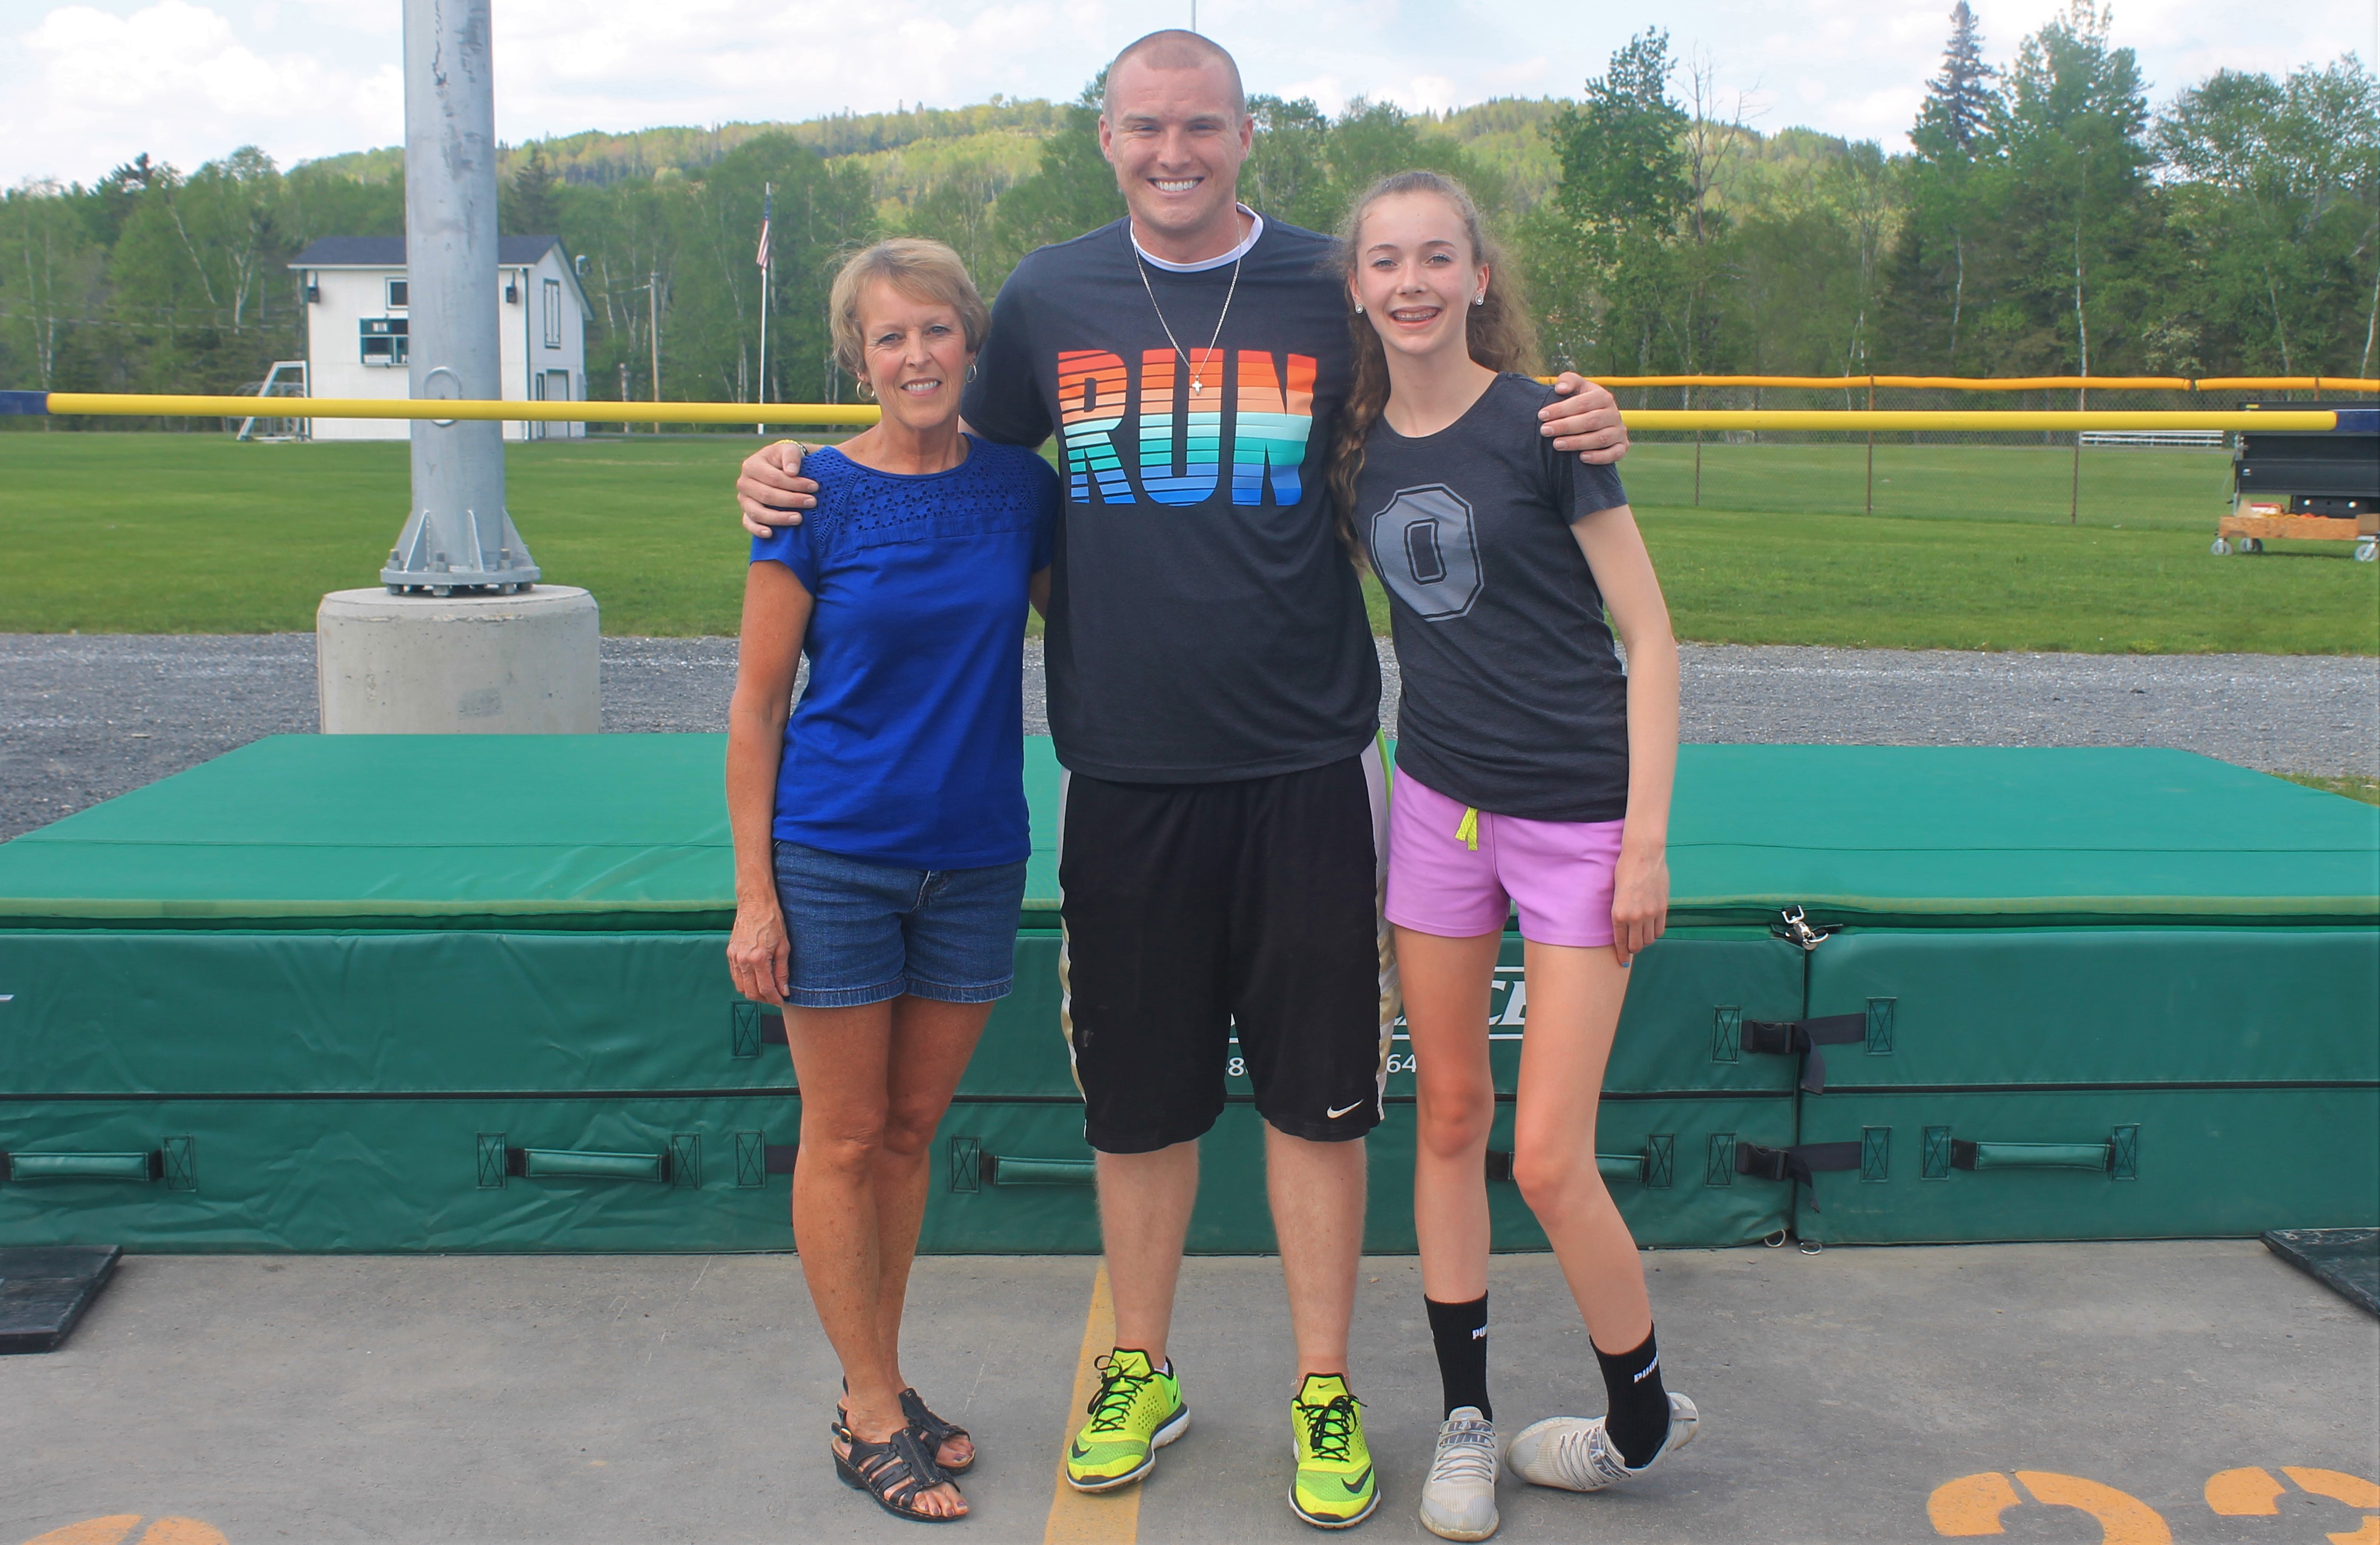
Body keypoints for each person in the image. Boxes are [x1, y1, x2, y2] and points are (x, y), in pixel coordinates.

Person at [736, 32, 1631, 1530]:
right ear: (1106, 137)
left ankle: (1323, 1383)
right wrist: (788, 470)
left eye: (1200, 126)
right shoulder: (1044, 298)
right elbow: (943, 446)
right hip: (1127, 771)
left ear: (1246, 133)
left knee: (1320, 1100)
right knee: (1138, 1105)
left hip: (1306, 762)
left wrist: (1573, 411)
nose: (1174, 150)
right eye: (1146, 127)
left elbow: (1447, 379)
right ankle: (1138, 1365)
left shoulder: (1319, 284)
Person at [1329, 170, 1697, 1542]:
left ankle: (1641, 1408)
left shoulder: (1549, 425)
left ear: (1479, 276)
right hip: (1437, 807)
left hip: (1577, 822)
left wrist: (1644, 841)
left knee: (1548, 1155)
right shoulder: (1352, 443)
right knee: (1447, 1117)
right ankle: (1466, 1420)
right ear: (1357, 286)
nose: (1413, 281)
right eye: (1386, 260)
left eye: (1439, 256)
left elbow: (1650, 637)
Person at [723, 237, 1057, 1525]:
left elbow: (1088, 613)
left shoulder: (1021, 491)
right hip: (833, 857)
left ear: (970, 343)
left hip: (976, 854)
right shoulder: (807, 493)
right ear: (855, 357)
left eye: (935, 331)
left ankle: (888, 1376)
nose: (914, 356)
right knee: (845, 1133)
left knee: (911, 1134)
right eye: (887, 337)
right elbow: (756, 710)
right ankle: (864, 1407)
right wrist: (756, 892)